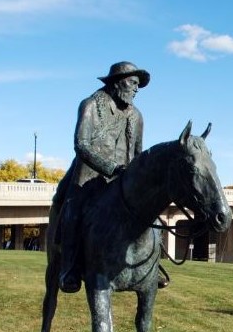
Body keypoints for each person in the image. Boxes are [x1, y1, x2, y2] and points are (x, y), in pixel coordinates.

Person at [58, 61, 168, 293]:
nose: (136, 89)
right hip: (89, 176)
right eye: (133, 83)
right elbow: (81, 144)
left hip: (122, 181)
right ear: (118, 83)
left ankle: (152, 267)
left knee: (153, 218)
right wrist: (111, 167)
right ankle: (70, 268)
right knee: (73, 212)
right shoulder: (90, 105)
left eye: (138, 84)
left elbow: (138, 154)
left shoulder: (136, 116)